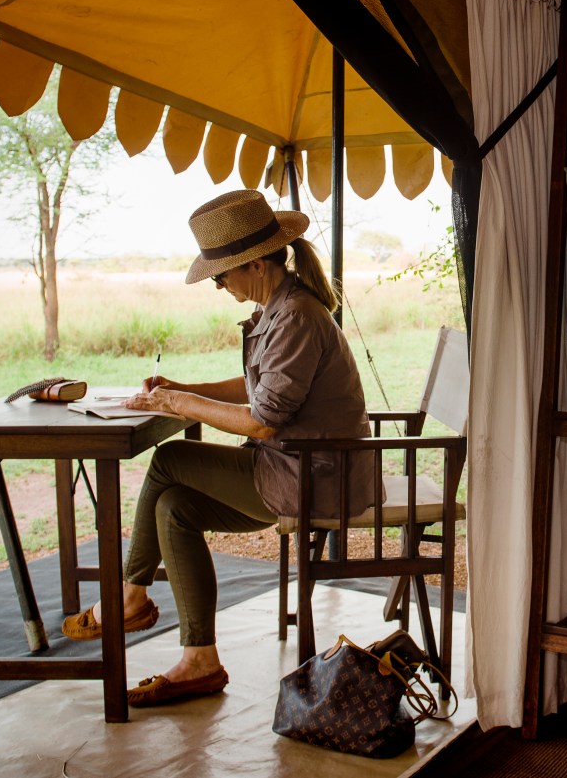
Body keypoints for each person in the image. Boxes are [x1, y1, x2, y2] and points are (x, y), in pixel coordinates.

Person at [59, 189, 378, 708]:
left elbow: (262, 422)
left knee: (168, 460)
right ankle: (199, 659)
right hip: (300, 468)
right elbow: (260, 389)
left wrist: (180, 402)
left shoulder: (295, 315)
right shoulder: (283, 307)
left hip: (315, 480)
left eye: (221, 275)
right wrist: (186, 389)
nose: (219, 285)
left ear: (254, 265)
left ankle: (131, 596)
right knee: (173, 507)